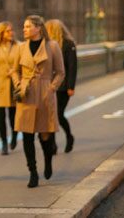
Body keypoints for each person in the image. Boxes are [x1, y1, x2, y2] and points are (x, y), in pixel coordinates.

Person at [10, 15, 64, 188]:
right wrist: (18, 84)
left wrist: (52, 88)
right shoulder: (20, 47)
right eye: (24, 27)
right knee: (26, 135)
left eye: (27, 27)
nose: (24, 29)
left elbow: (60, 72)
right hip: (26, 93)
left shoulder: (52, 46)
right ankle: (32, 172)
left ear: (38, 28)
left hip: (45, 93)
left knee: (45, 134)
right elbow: (14, 70)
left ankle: (48, 161)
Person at [45, 19, 77, 153]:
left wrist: (71, 87)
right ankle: (52, 145)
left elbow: (72, 67)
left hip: (63, 87)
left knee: (58, 114)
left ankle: (69, 136)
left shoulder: (68, 45)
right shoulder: (46, 45)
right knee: (50, 116)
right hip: (49, 85)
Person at [0, 21, 19, 155]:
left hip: (14, 84)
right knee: (0, 116)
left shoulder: (18, 46)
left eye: (12, 30)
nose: (11, 33)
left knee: (13, 115)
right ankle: (3, 142)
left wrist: (15, 70)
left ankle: (14, 136)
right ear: (1, 33)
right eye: (8, 31)